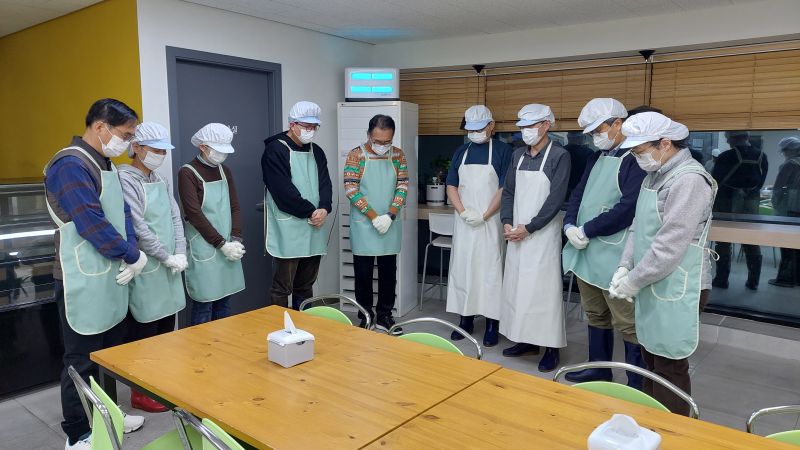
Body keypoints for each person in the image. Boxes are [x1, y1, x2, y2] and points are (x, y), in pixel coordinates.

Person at [44, 99, 147, 450]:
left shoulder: (107, 163)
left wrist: (132, 251)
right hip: (81, 276)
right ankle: (78, 432)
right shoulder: (70, 165)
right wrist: (131, 254)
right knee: (80, 359)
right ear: (101, 126)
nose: (128, 143)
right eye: (126, 135)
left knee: (108, 354)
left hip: (110, 271)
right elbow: (91, 222)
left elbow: (123, 213)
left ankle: (109, 414)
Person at [609, 112, 717, 416]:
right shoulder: (654, 175)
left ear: (665, 143)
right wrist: (625, 266)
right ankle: (651, 421)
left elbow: (669, 246)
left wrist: (633, 281)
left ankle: (674, 430)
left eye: (640, 151)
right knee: (651, 357)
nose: (637, 158)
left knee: (669, 364)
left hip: (678, 284)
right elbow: (638, 227)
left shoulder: (689, 180)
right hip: (652, 280)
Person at [561, 98, 647, 388]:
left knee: (627, 322)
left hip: (615, 254)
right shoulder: (595, 157)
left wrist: (588, 229)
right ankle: (599, 369)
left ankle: (637, 383)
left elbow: (628, 208)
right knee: (595, 314)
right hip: (587, 252)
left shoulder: (635, 159)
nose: (595, 137)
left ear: (618, 124)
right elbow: (578, 193)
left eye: (598, 130)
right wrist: (569, 225)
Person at [118, 122, 187, 412]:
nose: (160, 155)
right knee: (144, 330)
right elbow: (138, 227)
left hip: (169, 265)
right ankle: (141, 391)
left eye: (163, 151)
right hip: (147, 265)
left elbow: (175, 216)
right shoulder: (125, 179)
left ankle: (162, 381)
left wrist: (180, 252)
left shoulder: (159, 178)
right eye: (155, 150)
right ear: (136, 147)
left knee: (166, 327)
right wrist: (164, 256)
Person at [500, 104, 571, 372]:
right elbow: (508, 191)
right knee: (518, 288)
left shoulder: (560, 156)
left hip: (541, 235)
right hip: (516, 233)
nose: (525, 131)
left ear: (546, 125)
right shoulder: (518, 155)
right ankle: (525, 340)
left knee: (543, 291)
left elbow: (555, 200)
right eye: (522, 126)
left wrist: (529, 228)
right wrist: (506, 221)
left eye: (530, 125)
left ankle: (551, 348)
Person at [445, 105, 513, 346]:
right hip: (464, 221)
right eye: (471, 129)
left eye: (479, 128)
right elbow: (451, 185)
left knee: (491, 271)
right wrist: (463, 212)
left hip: (490, 221)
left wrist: (484, 215)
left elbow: (504, 188)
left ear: (491, 125)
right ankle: (465, 319)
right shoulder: (461, 152)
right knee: (464, 268)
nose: (474, 133)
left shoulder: (504, 151)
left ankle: (493, 322)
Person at [263, 101, 333, 310]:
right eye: (306, 126)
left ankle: (304, 323)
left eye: (314, 127)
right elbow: (282, 191)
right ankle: (280, 326)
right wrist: (310, 211)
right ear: (292, 125)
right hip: (290, 227)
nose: (311, 130)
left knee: (305, 285)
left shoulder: (317, 151)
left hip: (315, 225)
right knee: (282, 287)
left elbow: (325, 183)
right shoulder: (275, 150)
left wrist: (324, 208)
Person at [343, 115, 408, 330]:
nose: (382, 146)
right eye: (378, 141)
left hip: (390, 224)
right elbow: (351, 189)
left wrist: (390, 215)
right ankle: (366, 316)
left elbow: (402, 186)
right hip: (364, 225)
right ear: (369, 135)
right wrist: (373, 216)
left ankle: (385, 316)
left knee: (388, 274)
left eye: (387, 142)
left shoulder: (398, 155)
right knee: (363, 275)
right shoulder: (356, 155)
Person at [178, 123, 245, 325]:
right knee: (204, 306)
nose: (222, 155)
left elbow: (235, 206)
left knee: (224, 303)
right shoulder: (187, 173)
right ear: (203, 147)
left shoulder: (225, 171)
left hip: (228, 246)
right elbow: (194, 214)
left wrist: (235, 239)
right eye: (218, 150)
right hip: (205, 246)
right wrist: (221, 244)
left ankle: (222, 344)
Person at [711, 131, 768, 290]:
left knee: (723, 241)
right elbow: (761, 182)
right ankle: (753, 282)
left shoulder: (725, 156)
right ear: (747, 137)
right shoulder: (762, 156)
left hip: (725, 201)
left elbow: (715, 181)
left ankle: (722, 279)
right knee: (751, 240)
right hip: (751, 202)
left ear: (731, 139)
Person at [769, 137, 800, 287]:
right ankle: (797, 278)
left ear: (790, 150)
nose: (784, 154)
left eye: (785, 151)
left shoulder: (790, 164)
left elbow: (778, 187)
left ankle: (786, 279)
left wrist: (775, 202)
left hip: (789, 209)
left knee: (787, 245)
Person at [563, 131, 593, 198]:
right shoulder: (588, 152)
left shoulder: (562, 151)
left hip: (564, 188)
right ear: (581, 138)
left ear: (568, 138)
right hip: (582, 187)